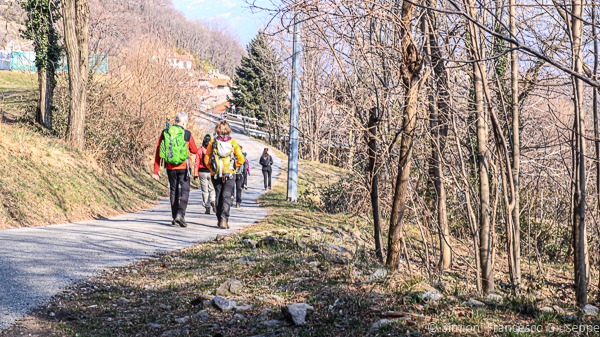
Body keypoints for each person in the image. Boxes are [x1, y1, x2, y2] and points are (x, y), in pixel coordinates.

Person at [152, 112, 198, 227]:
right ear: (183, 122)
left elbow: (159, 150)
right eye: (186, 122)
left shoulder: (165, 132)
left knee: (173, 191)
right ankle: (180, 215)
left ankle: (174, 217)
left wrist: (155, 170)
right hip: (183, 167)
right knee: (185, 190)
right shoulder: (187, 134)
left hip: (170, 167)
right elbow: (194, 150)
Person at [204, 121, 245, 229]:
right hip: (229, 173)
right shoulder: (233, 143)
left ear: (217, 130)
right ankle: (224, 220)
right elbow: (241, 158)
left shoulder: (212, 142)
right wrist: (234, 167)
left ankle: (219, 219)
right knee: (226, 196)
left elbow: (206, 159)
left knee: (218, 195)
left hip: (216, 173)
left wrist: (212, 169)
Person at [194, 134, 216, 214]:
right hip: (211, 172)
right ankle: (213, 200)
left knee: (204, 190)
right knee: (212, 188)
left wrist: (195, 174)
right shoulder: (213, 150)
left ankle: (207, 206)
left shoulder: (199, 150)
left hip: (202, 172)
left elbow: (196, 163)